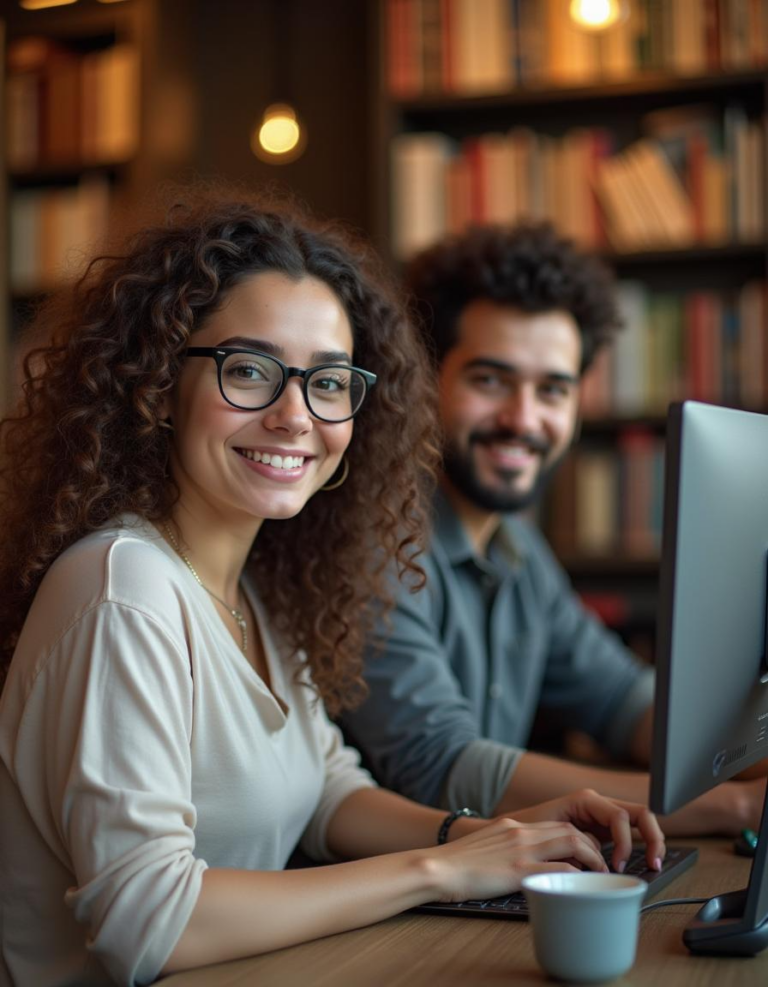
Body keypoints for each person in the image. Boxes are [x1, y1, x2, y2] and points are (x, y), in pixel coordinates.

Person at [0, 191, 665, 987]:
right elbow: (149, 922)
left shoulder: (257, 586)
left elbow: (329, 793)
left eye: (329, 381)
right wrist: (442, 870)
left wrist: (492, 834)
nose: (294, 415)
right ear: (155, 380)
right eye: (248, 369)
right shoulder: (122, 587)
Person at [341, 221, 766, 835]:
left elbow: (628, 702)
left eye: (552, 390)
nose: (523, 419)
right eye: (490, 380)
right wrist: (736, 806)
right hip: (391, 907)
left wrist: (751, 755)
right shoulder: (375, 539)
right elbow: (440, 766)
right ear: (426, 381)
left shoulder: (517, 547)